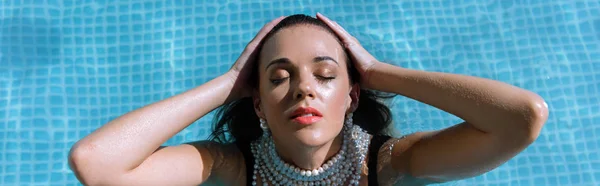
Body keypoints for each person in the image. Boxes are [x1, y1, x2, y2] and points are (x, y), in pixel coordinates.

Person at [68, 14, 549, 186]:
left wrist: (382, 73)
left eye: (325, 75)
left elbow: (522, 118)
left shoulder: (391, 165)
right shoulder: (230, 168)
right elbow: (95, 164)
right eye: (278, 78)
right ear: (258, 104)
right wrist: (229, 82)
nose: (303, 89)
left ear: (351, 96)